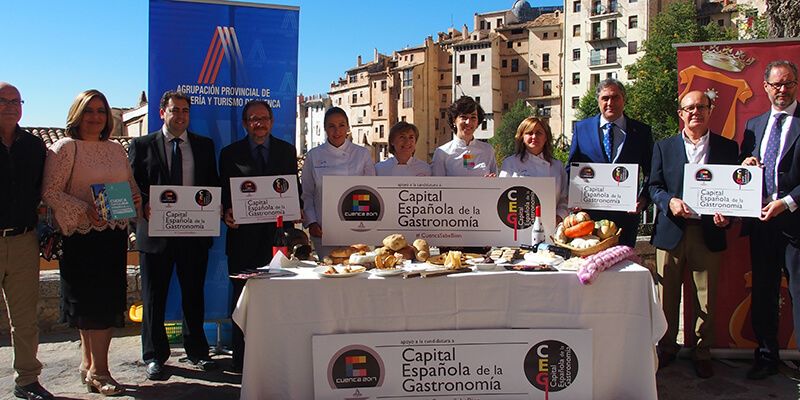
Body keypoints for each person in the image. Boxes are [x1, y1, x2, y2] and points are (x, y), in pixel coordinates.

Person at [42, 89, 141, 395]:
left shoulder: (116, 150)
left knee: (107, 303)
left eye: (100, 111)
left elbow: (130, 186)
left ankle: (90, 366)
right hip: (81, 239)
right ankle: (101, 371)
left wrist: (136, 198)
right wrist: (84, 209)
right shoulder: (64, 148)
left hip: (112, 236)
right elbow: (50, 192)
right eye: (88, 110)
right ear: (77, 114)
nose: (95, 117)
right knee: (89, 306)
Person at [128, 91, 220, 380]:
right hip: (155, 236)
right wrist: (144, 204)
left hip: (194, 234)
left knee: (193, 296)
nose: (180, 116)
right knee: (154, 298)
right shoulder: (141, 145)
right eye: (174, 110)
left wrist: (216, 207)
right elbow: (132, 185)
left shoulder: (204, 146)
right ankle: (154, 356)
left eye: (185, 111)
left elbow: (212, 185)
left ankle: (197, 351)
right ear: (162, 113)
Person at [648, 90, 738, 379]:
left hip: (708, 232)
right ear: (681, 114)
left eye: (701, 107)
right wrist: (669, 202)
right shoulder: (664, 147)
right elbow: (653, 187)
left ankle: (702, 352)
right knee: (667, 296)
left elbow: (736, 191)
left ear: (710, 111)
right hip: (671, 231)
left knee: (706, 298)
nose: (695, 112)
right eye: (689, 108)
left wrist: (728, 215)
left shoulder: (728, 148)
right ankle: (667, 347)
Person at [219, 100, 300, 373]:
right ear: (245, 124)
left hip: (277, 242)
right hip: (242, 242)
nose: (259, 123)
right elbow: (223, 194)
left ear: (272, 122)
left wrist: (296, 207)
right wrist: (226, 212)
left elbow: (294, 189)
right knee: (242, 301)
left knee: (279, 302)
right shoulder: (230, 154)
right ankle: (241, 360)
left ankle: (276, 360)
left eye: (264, 118)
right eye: (253, 119)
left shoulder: (287, 151)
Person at [740, 60, 800, 380]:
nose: (782, 89)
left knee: (799, 293)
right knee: (764, 291)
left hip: (794, 222)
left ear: (796, 85)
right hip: (761, 222)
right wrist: (746, 164)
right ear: (765, 87)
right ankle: (766, 356)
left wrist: (786, 203)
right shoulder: (754, 125)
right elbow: (741, 168)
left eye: (788, 83)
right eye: (776, 84)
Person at [0, 82, 54, 400]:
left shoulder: (34, 147)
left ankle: (27, 380)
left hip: (23, 240)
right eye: (3, 101)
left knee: (24, 319)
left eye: (16, 101)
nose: (10, 106)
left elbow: (42, 194)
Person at [567, 78, 653, 247]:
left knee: (623, 262)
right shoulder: (582, 128)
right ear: (598, 101)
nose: (610, 103)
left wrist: (643, 199)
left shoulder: (641, 131)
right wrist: (574, 197)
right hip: (589, 218)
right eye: (605, 98)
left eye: (615, 97)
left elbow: (651, 171)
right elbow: (571, 167)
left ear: (624, 99)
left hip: (626, 217)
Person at [301, 107, 375, 258]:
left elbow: (370, 190)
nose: (337, 131)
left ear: (348, 127)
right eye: (331, 126)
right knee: (328, 268)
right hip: (323, 229)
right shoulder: (313, 156)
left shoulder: (362, 154)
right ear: (325, 128)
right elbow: (307, 194)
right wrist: (312, 223)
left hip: (356, 226)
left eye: (341, 125)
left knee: (357, 267)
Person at [499, 117, 568, 222]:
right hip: (517, 225)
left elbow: (564, 199)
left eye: (539, 133)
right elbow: (501, 197)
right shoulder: (510, 163)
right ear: (522, 137)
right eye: (529, 133)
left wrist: (559, 216)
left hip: (550, 224)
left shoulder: (557, 166)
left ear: (546, 137)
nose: (534, 136)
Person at [431, 96, 497, 177]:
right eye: (464, 117)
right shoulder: (442, 153)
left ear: (478, 122)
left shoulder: (488, 150)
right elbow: (437, 183)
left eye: (473, 117)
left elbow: (497, 181)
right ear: (454, 120)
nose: (468, 122)